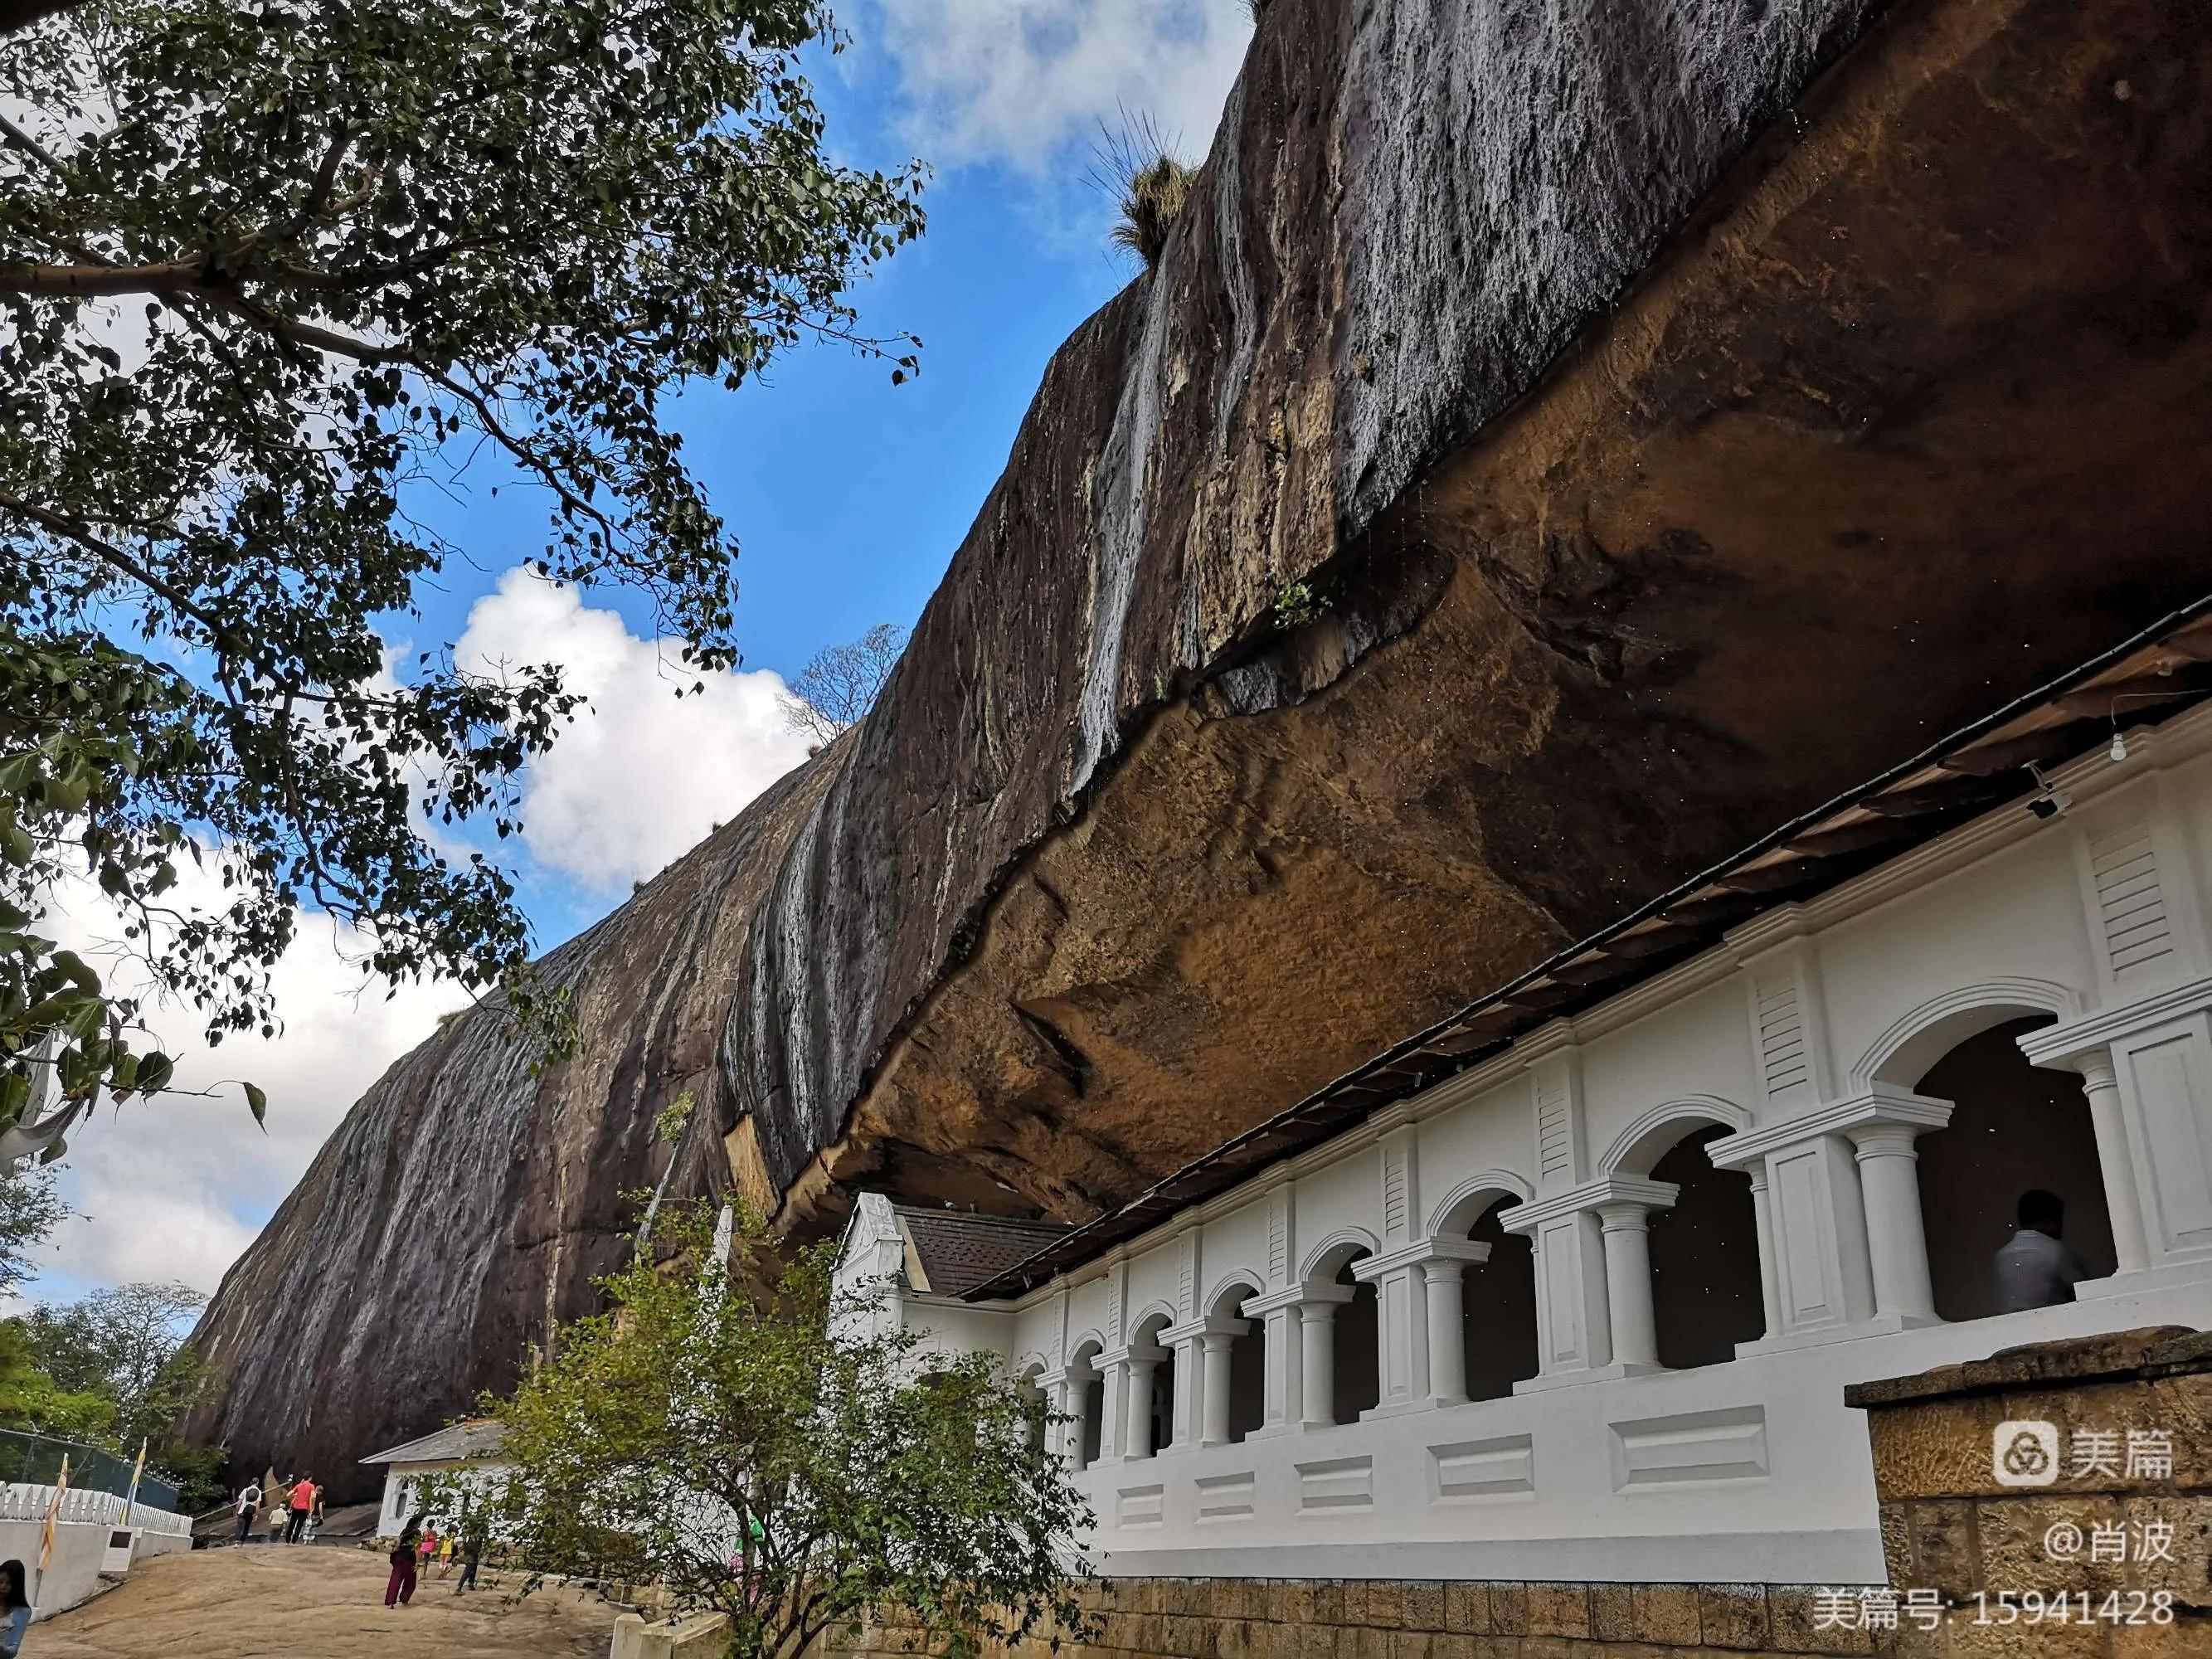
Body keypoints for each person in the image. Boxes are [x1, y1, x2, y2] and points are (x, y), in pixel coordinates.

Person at [1994, 1189, 2088, 1312]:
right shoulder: (2056, 1252)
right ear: (2049, 1219)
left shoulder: (2001, 1256)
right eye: (2059, 1219)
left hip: (2010, 1323)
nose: (2061, 1226)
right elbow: (2084, 1292)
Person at [385, 1522, 421, 1608]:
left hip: (398, 1557)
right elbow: (417, 1548)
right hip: (409, 1559)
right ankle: (404, 1599)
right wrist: (418, 1562)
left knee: (395, 1579)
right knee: (410, 1581)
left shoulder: (405, 1531)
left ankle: (390, 1601)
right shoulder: (417, 1533)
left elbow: (398, 1544)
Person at [0, 1559, 27, 1657]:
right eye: (0, 1582)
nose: (3, 1587)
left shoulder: (22, 1612)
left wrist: (1, 1648)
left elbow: (13, 1652)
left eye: (8, 1583)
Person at [455, 1518, 486, 1594]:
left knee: (473, 1569)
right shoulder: (476, 1537)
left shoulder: (470, 1536)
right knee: (468, 1571)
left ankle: (471, 1584)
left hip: (470, 1554)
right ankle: (459, 1587)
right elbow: (474, 1547)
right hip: (472, 1555)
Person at [284, 1472, 318, 1543]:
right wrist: (311, 1508)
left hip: (296, 1507)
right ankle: (294, 1541)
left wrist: (295, 1495)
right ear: (310, 1478)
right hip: (304, 1508)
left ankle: (287, 1539)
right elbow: (313, 1497)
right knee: (299, 1525)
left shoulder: (298, 1485)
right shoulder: (311, 1486)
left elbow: (288, 1495)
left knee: (292, 1523)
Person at [233, 1479, 262, 1545]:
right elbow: (258, 1504)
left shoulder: (245, 1490)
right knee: (246, 1527)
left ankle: (236, 1542)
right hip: (250, 1513)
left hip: (242, 1511)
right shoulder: (259, 1492)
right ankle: (242, 1542)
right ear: (257, 1483)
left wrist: (236, 1511)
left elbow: (239, 1502)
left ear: (251, 1482)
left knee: (239, 1527)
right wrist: (256, 1514)